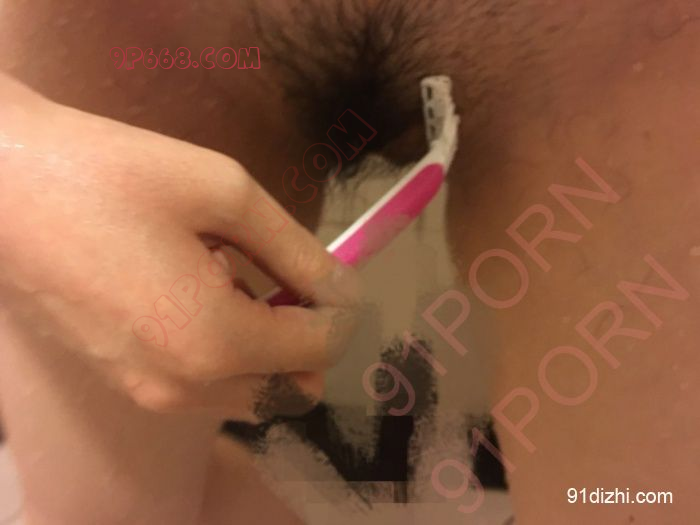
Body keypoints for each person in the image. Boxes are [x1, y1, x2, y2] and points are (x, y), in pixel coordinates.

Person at [1, 0, 698, 523]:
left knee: (632, 505)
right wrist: (12, 155)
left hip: (626, 43)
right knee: (105, 511)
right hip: (136, 31)